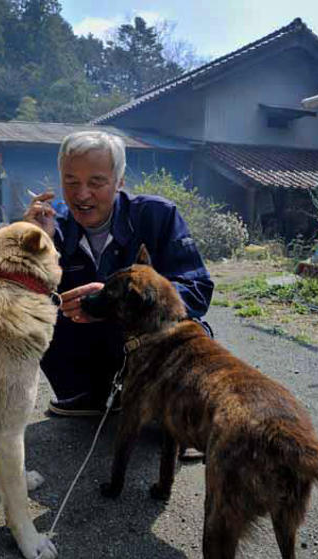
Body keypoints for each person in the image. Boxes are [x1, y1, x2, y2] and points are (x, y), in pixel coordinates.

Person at [23, 131, 214, 419]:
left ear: (120, 181)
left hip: (149, 344)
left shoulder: (158, 215)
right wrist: (33, 246)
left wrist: (119, 300)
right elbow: (13, 304)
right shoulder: (50, 227)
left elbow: (197, 289)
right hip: (90, 350)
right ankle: (94, 395)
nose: (82, 194)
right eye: (70, 182)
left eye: (96, 182)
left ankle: (183, 413)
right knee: (34, 317)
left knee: (193, 330)